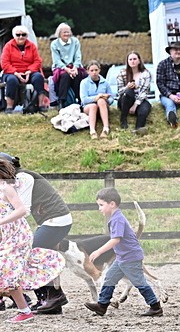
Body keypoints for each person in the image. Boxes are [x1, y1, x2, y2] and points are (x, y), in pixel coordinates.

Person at [0, 152, 73, 314]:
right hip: (49, 220)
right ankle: (46, 298)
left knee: (31, 254)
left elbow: (23, 208)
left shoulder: (23, 178)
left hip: (57, 219)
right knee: (30, 255)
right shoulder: (13, 181)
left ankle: (54, 295)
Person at [84, 188, 163, 317]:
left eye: (101, 205)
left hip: (130, 257)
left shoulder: (117, 219)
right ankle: (102, 305)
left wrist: (98, 251)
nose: (99, 209)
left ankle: (155, 307)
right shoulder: (116, 217)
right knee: (110, 277)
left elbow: (115, 239)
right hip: (122, 257)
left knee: (139, 282)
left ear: (112, 204)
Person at [1, 25, 48, 113]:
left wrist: (29, 71)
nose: (21, 37)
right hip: (12, 72)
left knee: (38, 77)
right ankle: (9, 107)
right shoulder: (8, 46)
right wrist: (15, 73)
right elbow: (4, 63)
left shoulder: (32, 46)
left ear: (27, 35)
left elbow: (37, 61)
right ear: (14, 36)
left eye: (23, 34)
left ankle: (41, 105)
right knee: (11, 80)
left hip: (29, 71)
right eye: (18, 35)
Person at [50, 22, 86, 109]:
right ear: (59, 33)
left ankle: (79, 99)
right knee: (64, 76)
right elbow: (56, 60)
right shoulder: (54, 44)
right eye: (64, 32)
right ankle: (62, 100)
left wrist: (75, 67)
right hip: (61, 67)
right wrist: (66, 69)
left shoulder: (75, 41)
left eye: (68, 32)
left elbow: (78, 56)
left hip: (74, 66)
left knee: (78, 75)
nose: (66, 34)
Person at [116, 51, 152, 135]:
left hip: (140, 99)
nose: (132, 61)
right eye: (130, 59)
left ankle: (138, 129)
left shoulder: (146, 74)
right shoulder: (122, 73)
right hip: (124, 100)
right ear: (127, 62)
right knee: (128, 92)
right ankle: (123, 119)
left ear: (139, 60)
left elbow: (145, 91)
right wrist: (127, 87)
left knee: (144, 109)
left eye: (135, 59)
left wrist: (135, 105)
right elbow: (119, 91)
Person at [80, 60, 113, 140]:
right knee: (93, 106)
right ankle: (92, 131)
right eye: (91, 70)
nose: (94, 72)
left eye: (96, 70)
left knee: (101, 101)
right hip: (88, 107)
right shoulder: (84, 83)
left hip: (102, 106)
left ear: (99, 70)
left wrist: (106, 99)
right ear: (88, 71)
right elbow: (84, 99)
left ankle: (106, 128)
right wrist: (96, 97)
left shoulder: (105, 82)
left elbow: (112, 97)